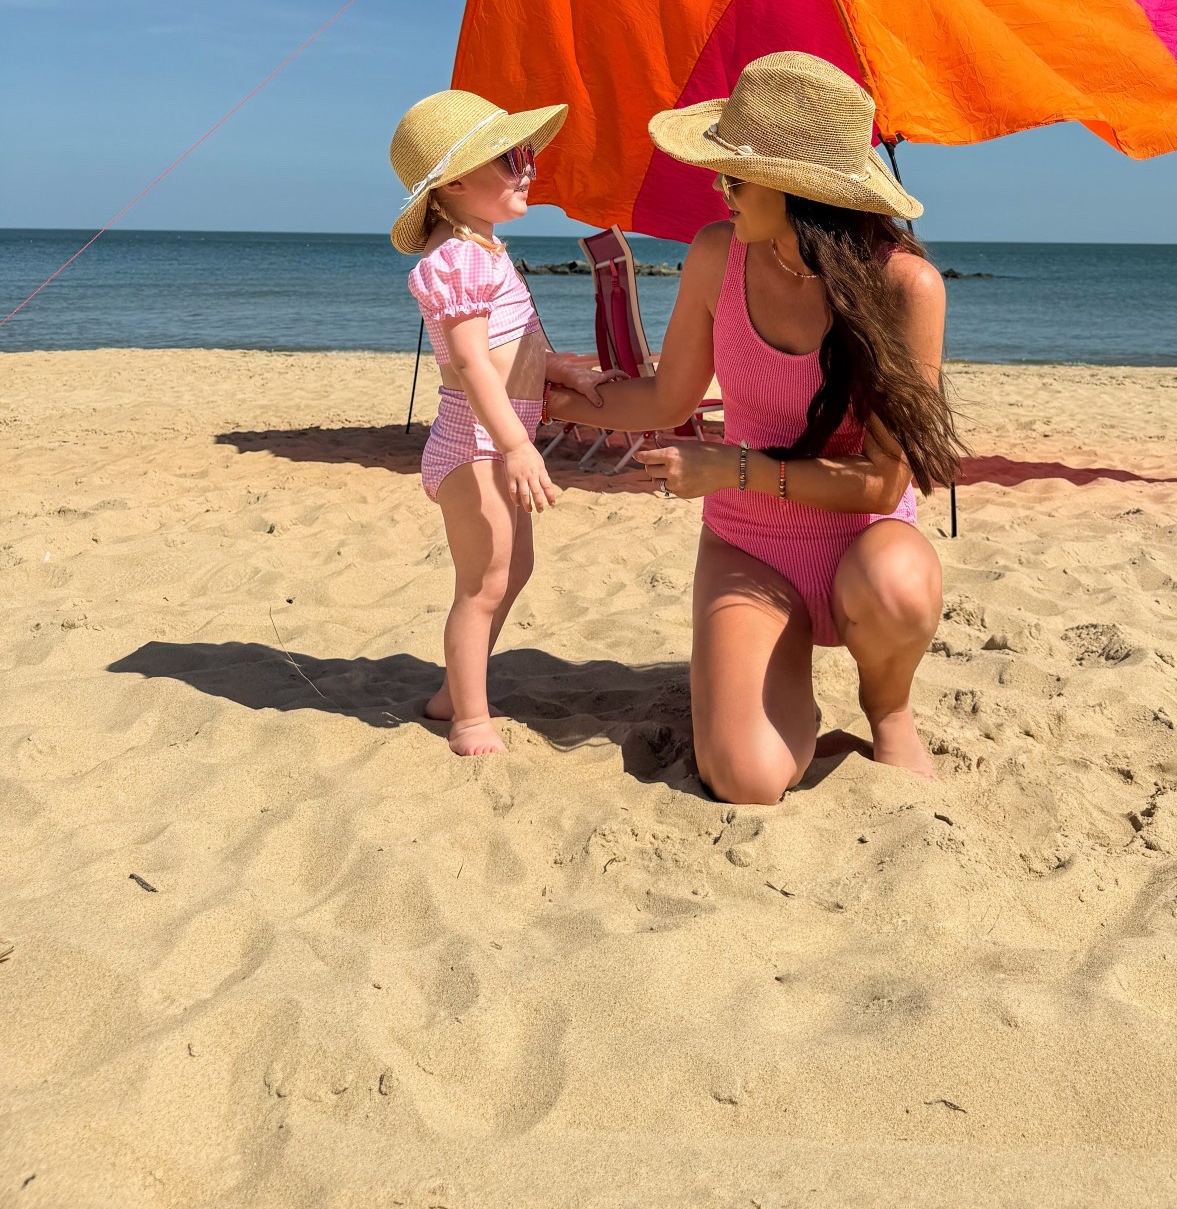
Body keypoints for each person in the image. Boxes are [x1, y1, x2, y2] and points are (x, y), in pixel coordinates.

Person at [547, 52, 959, 804]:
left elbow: (882, 480)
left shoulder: (908, 288)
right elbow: (665, 398)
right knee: (748, 779)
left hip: (862, 548)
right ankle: (775, 700)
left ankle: (888, 708)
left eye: (734, 176)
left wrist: (732, 467)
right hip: (750, 550)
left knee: (899, 583)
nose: (719, 188)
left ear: (797, 189)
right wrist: (549, 403)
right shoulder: (716, 255)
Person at [390, 89, 602, 757]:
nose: (529, 167)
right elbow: (472, 364)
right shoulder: (455, 262)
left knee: (514, 570)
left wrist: (561, 371)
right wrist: (516, 445)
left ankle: (458, 688)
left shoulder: (485, 250)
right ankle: (466, 716)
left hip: (494, 439)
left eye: (528, 153)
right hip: (472, 443)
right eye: (510, 158)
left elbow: (520, 341)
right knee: (482, 583)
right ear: (454, 182)